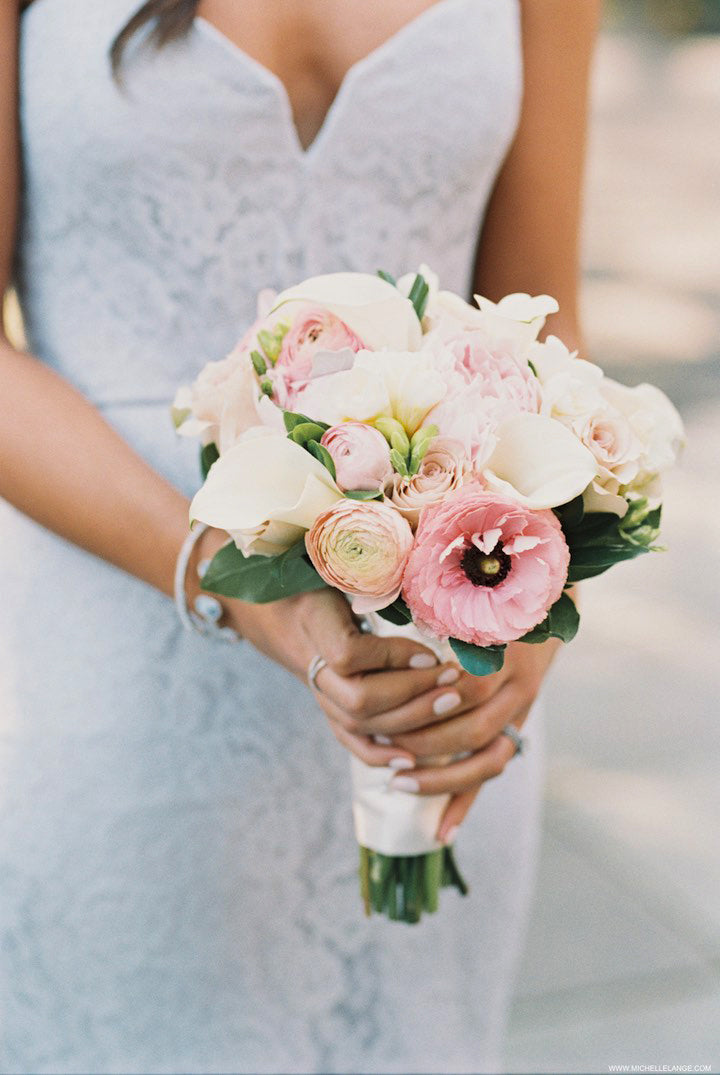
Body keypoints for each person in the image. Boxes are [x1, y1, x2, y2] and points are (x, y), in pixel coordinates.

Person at [0, 1, 600, 1070]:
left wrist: (535, 612)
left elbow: (542, 314)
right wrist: (242, 585)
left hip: (435, 676)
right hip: (106, 660)